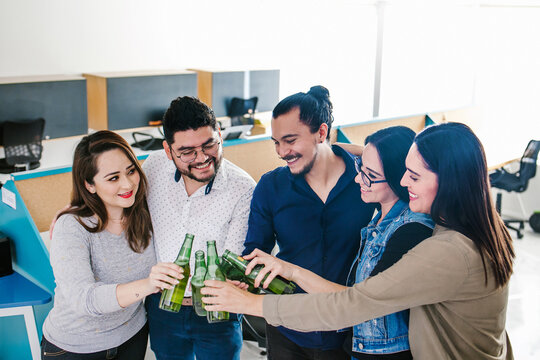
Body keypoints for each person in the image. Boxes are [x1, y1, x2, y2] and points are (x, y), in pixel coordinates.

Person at [203, 122, 515, 360]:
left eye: (414, 176)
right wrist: (333, 148)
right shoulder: (484, 223)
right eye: (404, 171)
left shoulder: (445, 251)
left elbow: (352, 304)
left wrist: (252, 304)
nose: (405, 182)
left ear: (450, 181)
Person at [242, 86, 375, 359]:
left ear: (321, 133)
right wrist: (245, 277)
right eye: (276, 142)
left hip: (349, 331)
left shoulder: (366, 180)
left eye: (290, 140)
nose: (281, 152)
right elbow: (255, 250)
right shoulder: (271, 186)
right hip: (287, 329)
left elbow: (408, 162)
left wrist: (359, 152)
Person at [41, 131, 183, 359]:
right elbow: (83, 299)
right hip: (76, 347)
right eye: (113, 178)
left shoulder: (145, 210)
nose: (128, 184)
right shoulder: (72, 227)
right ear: (89, 185)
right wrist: (149, 284)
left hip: (132, 336)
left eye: (131, 170)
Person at [142, 96, 256, 360]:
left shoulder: (243, 188)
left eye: (209, 145)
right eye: (187, 152)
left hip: (217, 309)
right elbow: (118, 201)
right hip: (162, 304)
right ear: (168, 151)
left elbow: (232, 262)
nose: (202, 158)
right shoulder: (154, 165)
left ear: (220, 135)